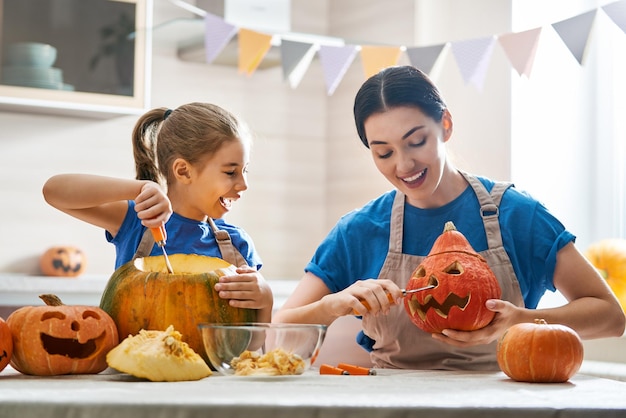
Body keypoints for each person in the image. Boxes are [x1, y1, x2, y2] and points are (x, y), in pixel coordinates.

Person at [273, 65, 625, 370]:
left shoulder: (517, 215)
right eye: (384, 153)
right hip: (392, 407)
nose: (403, 165)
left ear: (445, 124)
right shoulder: (359, 231)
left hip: (503, 405)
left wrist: (523, 321)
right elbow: (278, 331)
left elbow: (611, 317)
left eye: (416, 141)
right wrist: (331, 306)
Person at [43, 102, 273, 322]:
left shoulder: (237, 245)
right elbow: (53, 191)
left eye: (245, 170)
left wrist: (266, 300)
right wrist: (141, 188)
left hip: (211, 364)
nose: (244, 184)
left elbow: (249, 344)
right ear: (183, 171)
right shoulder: (137, 220)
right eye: (231, 172)